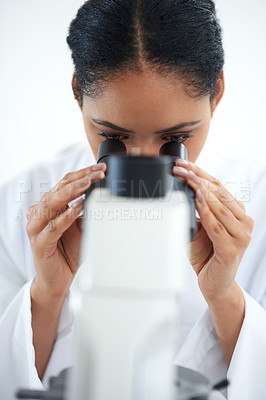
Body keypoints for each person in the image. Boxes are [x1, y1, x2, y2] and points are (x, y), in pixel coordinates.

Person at [0, 0, 266, 399]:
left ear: (217, 93)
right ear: (78, 91)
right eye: (115, 139)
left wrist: (224, 294)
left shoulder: (257, 199)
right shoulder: (25, 201)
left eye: (174, 141)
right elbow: (9, 382)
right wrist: (48, 292)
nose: (143, 165)